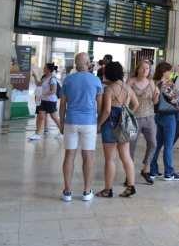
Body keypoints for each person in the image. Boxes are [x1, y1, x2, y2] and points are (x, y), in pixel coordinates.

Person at [59, 53, 103, 202]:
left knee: (69, 155)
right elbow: (100, 106)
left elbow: (62, 104)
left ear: (76, 64)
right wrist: (100, 123)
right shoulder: (96, 80)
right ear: (88, 63)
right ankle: (86, 191)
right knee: (88, 156)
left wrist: (61, 122)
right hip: (89, 122)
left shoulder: (68, 80)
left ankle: (67, 191)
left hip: (71, 121)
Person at [96, 61, 139, 198]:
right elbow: (136, 104)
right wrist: (127, 113)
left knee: (110, 159)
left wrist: (99, 124)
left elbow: (107, 110)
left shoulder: (109, 89)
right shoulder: (127, 88)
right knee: (126, 156)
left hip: (110, 124)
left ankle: (108, 190)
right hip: (124, 124)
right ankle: (131, 185)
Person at [128, 60, 159, 185]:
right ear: (138, 69)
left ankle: (145, 169)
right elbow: (125, 97)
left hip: (149, 117)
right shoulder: (131, 81)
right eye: (143, 68)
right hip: (133, 118)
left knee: (153, 143)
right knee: (131, 147)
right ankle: (129, 174)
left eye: (147, 69)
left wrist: (157, 95)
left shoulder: (151, 83)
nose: (145, 71)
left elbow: (155, 102)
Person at [149, 61, 179, 181]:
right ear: (165, 71)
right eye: (170, 71)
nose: (172, 73)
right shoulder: (167, 84)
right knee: (168, 145)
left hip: (158, 115)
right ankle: (169, 172)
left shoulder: (154, 83)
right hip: (169, 116)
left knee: (157, 144)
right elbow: (175, 98)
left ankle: (153, 170)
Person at [28, 63, 63, 140]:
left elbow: (53, 91)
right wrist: (34, 76)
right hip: (42, 100)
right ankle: (37, 134)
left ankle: (62, 131)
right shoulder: (44, 77)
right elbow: (38, 84)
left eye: (45, 68)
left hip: (50, 101)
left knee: (54, 117)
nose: (43, 69)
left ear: (49, 70)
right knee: (40, 116)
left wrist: (42, 93)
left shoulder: (52, 79)